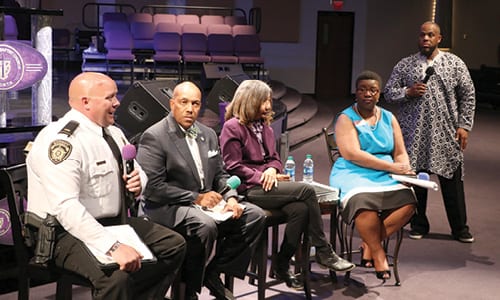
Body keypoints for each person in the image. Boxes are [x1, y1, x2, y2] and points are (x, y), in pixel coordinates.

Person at [26, 72, 186, 300]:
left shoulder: (114, 132)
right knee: (115, 278)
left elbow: (135, 167)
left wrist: (139, 180)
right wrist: (113, 247)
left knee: (173, 245)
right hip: (63, 232)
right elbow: (66, 207)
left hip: (111, 223)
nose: (117, 102)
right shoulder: (61, 141)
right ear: (86, 102)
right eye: (110, 97)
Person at [219, 79, 355, 290]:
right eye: (263, 101)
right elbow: (232, 165)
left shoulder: (265, 127)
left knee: (300, 209)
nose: (268, 106)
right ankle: (323, 250)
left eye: (268, 100)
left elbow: (275, 159)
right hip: (249, 188)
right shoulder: (232, 127)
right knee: (306, 190)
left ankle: (282, 264)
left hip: (268, 184)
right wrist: (262, 175)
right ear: (250, 101)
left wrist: (272, 170)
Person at [136, 81, 266, 300]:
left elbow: (220, 175)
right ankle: (190, 291)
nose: (190, 109)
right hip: (167, 207)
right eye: (184, 102)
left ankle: (212, 273)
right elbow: (153, 189)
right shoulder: (155, 136)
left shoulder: (207, 134)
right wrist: (196, 198)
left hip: (205, 203)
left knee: (254, 215)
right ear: (172, 104)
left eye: (195, 104)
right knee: (204, 226)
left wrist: (231, 198)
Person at [384, 21, 476, 243]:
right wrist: (408, 91)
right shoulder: (405, 65)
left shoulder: (454, 63)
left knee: (452, 183)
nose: (426, 39)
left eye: (430, 35)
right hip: (414, 135)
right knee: (417, 184)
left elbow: (468, 94)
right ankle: (418, 224)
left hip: (445, 135)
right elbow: (387, 93)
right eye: (422, 35)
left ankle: (459, 228)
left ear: (439, 39)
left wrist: (464, 126)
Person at [329, 70, 417, 280]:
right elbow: (352, 154)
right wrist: (392, 168)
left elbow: (400, 151)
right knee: (363, 205)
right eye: (362, 89)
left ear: (379, 94)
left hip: (386, 172)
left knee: (409, 203)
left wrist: (404, 168)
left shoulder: (388, 117)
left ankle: (370, 242)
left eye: (373, 90)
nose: (367, 94)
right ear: (356, 93)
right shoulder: (346, 118)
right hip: (353, 171)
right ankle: (378, 255)